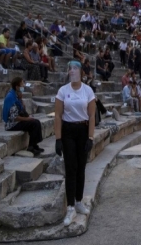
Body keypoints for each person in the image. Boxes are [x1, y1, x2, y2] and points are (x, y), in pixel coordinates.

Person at [54, 61, 95, 227]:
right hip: (68, 131)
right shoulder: (63, 91)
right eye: (70, 68)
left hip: (83, 130)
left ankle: (79, 201)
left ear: (81, 72)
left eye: (75, 68)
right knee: (70, 168)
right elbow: (57, 115)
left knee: (81, 168)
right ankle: (70, 207)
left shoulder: (88, 90)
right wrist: (58, 139)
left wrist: (91, 138)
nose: (72, 71)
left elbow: (92, 116)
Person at [3, 77, 43, 155]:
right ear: (17, 86)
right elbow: (14, 117)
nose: (23, 86)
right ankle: (31, 147)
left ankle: (34, 145)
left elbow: (22, 110)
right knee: (34, 123)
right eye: (22, 84)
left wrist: (21, 100)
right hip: (11, 125)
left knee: (36, 122)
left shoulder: (16, 95)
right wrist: (27, 119)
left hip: (16, 121)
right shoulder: (11, 97)